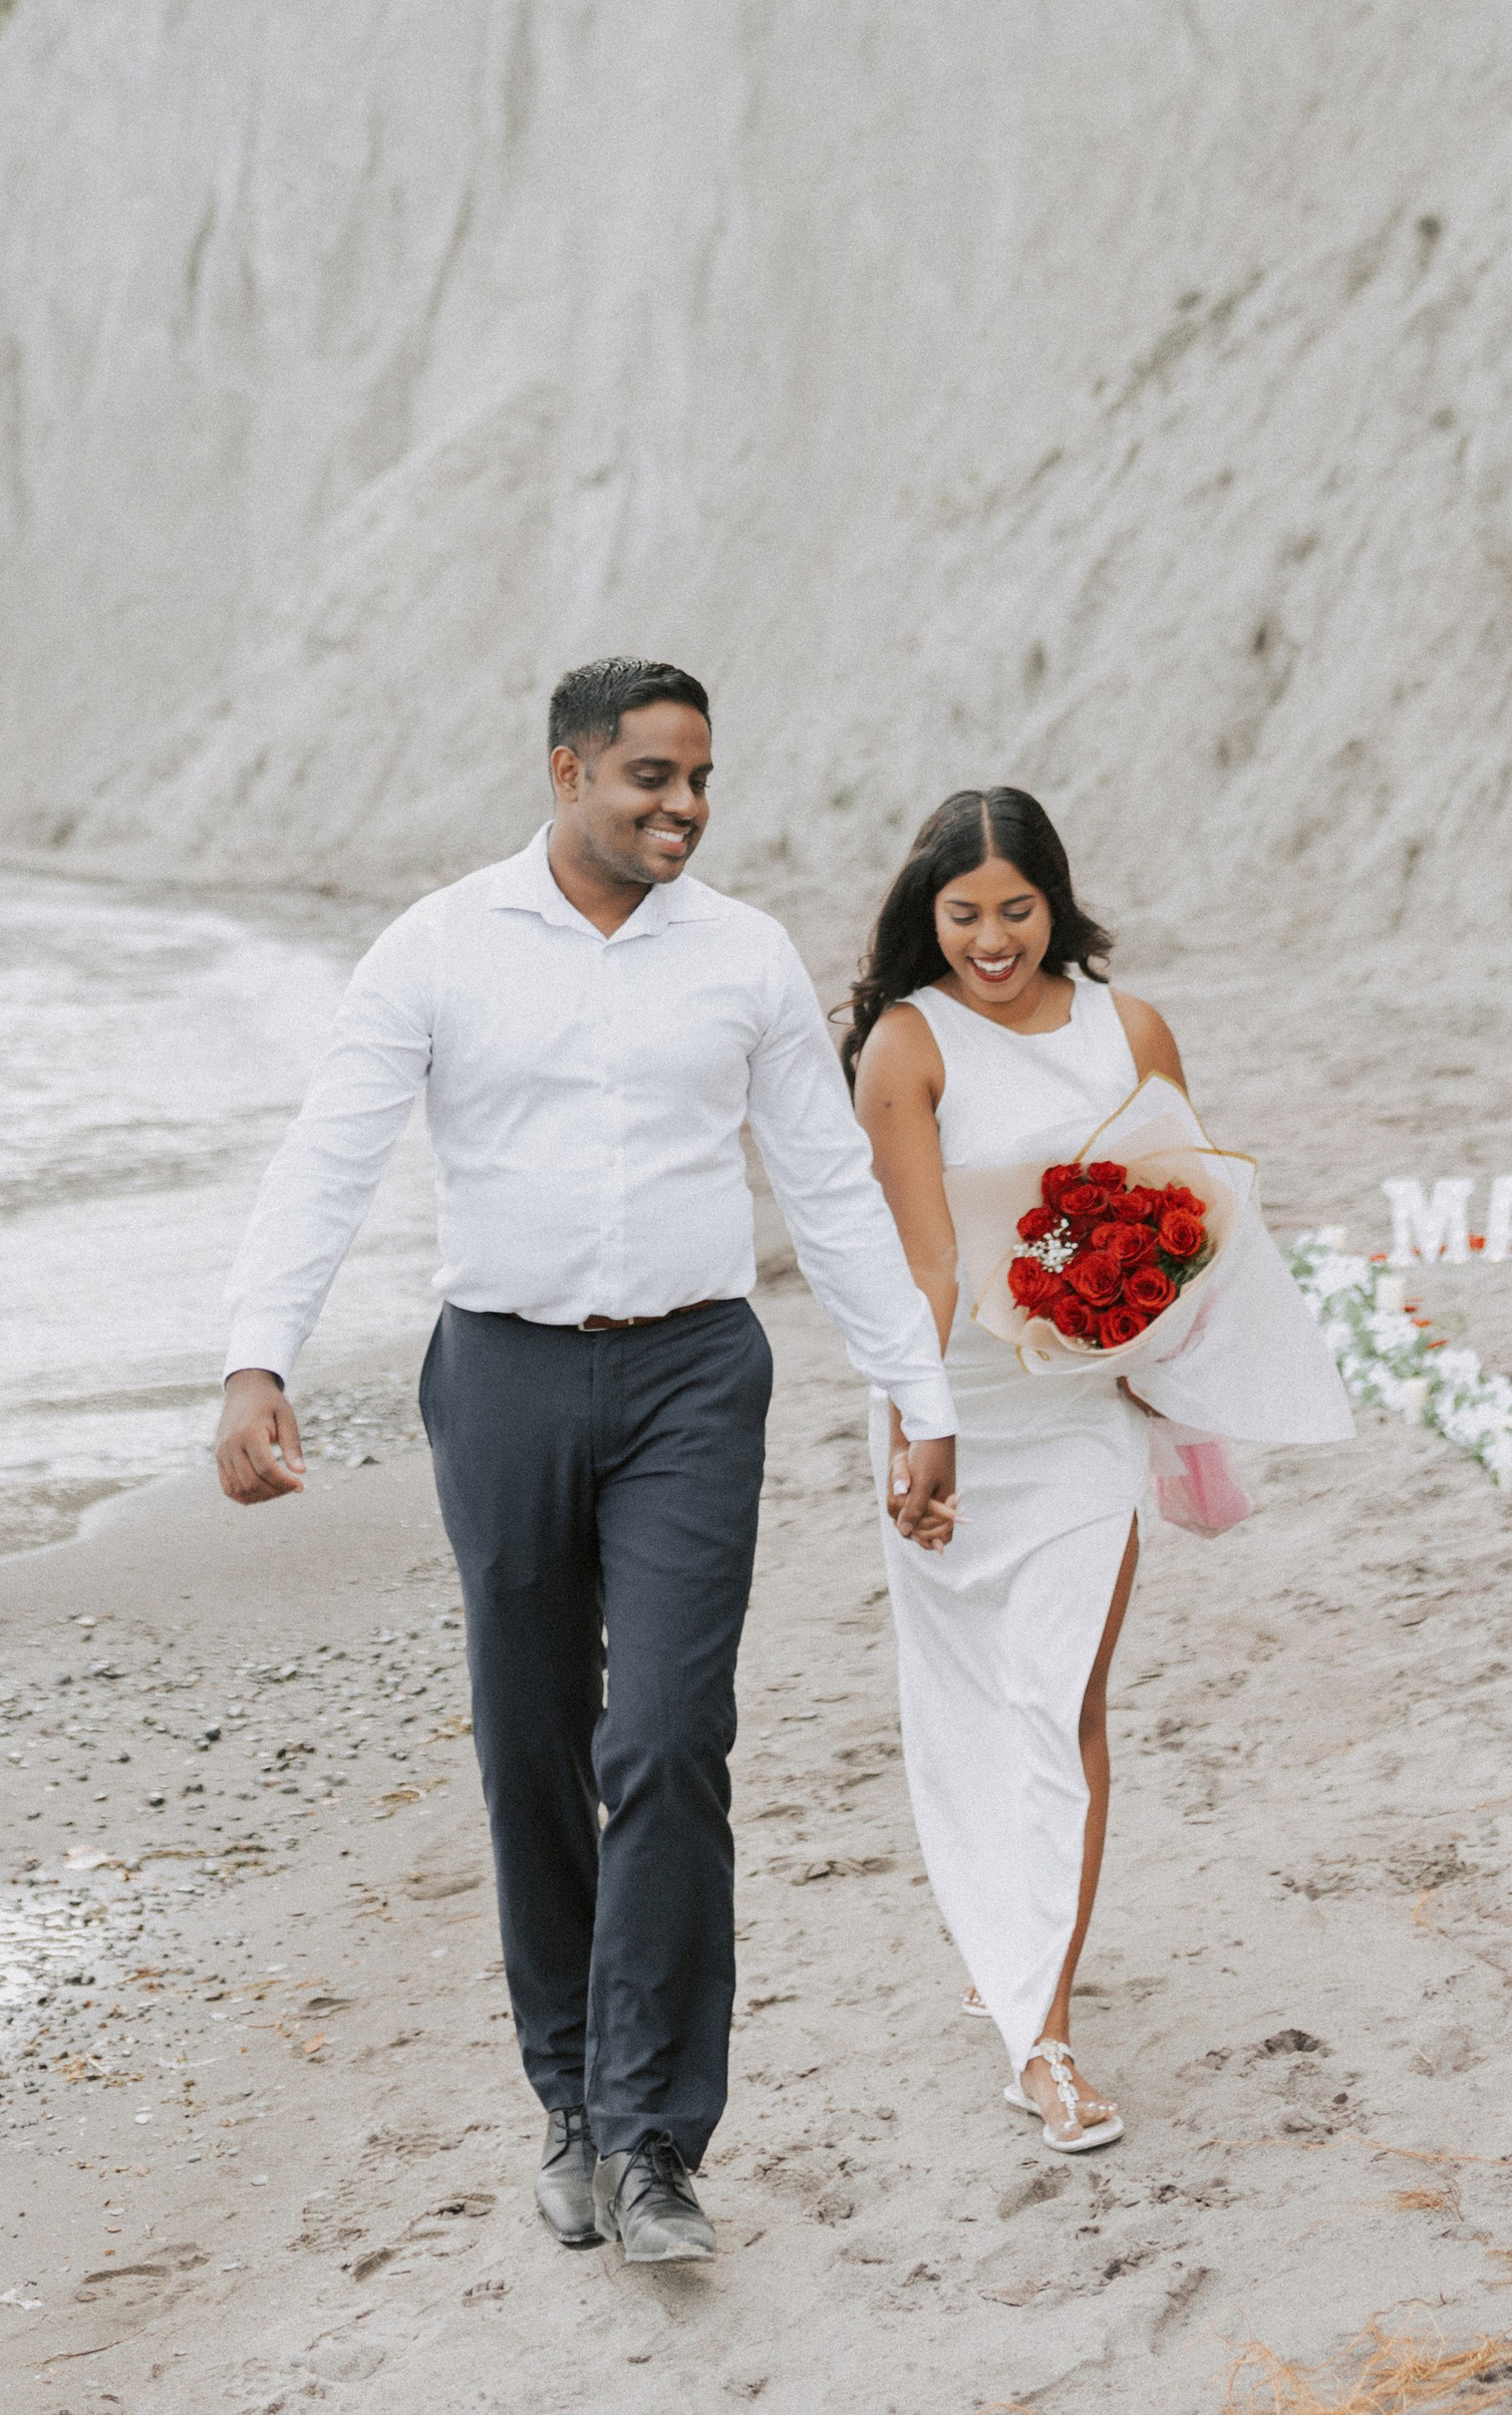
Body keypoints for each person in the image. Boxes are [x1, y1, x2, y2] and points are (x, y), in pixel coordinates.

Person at [215, 660, 959, 2264]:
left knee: (674, 1739)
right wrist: (255, 1356)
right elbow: (330, 1152)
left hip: (697, 1373)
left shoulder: (745, 957)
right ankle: (567, 2098)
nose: (683, 806)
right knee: (531, 1746)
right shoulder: (439, 948)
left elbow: (828, 1189)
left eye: (700, 779)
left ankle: (655, 2140)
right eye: (650, 778)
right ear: (567, 773)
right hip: (502, 1378)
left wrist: (919, 1389)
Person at [843, 785, 1179, 2156]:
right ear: (930, 917)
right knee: (974, 1711)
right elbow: (925, 1263)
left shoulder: (1130, 1029)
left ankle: (1041, 2039)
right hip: (961, 1415)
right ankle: (1016, 1943)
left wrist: (1166, 1345)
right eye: (965, 914)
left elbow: (1185, 1213)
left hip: (1089, 1417)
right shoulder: (905, 1049)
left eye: (1017, 910)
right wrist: (923, 1426)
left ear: (1058, 902)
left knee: (1059, 1701)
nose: (993, 939)